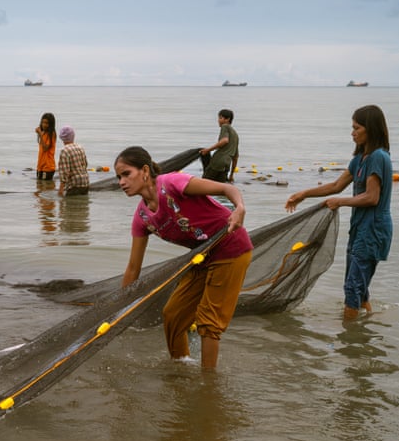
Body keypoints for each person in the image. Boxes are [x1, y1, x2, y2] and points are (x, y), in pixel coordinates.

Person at [115, 145, 252, 370]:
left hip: (231, 248)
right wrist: (120, 308)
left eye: (126, 174)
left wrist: (239, 208)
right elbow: (132, 269)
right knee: (173, 314)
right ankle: (182, 368)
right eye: (118, 177)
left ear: (145, 171)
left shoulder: (172, 184)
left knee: (209, 322)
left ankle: (208, 385)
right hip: (201, 258)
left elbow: (227, 189)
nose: (121, 182)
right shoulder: (142, 218)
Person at [285, 105, 393, 321]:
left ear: (370, 129)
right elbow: (335, 186)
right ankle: (364, 330)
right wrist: (304, 194)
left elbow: (372, 197)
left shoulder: (378, 157)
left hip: (373, 230)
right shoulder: (360, 159)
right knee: (358, 288)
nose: (352, 132)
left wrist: (340, 203)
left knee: (353, 287)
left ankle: (349, 339)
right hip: (360, 228)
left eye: (357, 128)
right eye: (352, 128)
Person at [200, 108, 239, 183]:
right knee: (220, 188)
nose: (218, 120)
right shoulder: (235, 135)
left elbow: (224, 140)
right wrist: (231, 175)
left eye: (220, 118)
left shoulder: (225, 126)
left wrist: (208, 150)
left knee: (204, 183)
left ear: (227, 119)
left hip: (218, 161)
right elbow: (236, 157)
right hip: (227, 164)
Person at [56, 126, 89, 196]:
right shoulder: (80, 147)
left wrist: (60, 191)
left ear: (62, 138)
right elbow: (85, 165)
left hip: (74, 185)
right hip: (85, 183)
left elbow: (64, 173)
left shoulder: (64, 151)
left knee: (70, 206)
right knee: (83, 206)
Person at [34, 112, 57, 181]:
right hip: (40, 166)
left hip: (48, 167)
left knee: (45, 187)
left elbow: (45, 148)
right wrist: (41, 134)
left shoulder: (51, 134)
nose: (44, 125)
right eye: (43, 122)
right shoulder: (43, 133)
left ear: (51, 124)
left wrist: (40, 134)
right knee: (39, 186)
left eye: (46, 123)